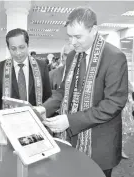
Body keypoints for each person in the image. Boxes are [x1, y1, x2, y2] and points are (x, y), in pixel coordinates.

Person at [42, 7, 128, 177]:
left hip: (100, 144)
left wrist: (70, 120)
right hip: (71, 140)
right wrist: (44, 108)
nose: (72, 42)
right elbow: (63, 91)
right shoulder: (73, 56)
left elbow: (113, 104)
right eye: (70, 36)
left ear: (94, 30)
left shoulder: (114, 57)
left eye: (78, 36)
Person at [0, 28, 52, 112]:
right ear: (8, 48)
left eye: (21, 47)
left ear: (27, 45)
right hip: (9, 120)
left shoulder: (41, 66)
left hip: (35, 119)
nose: (18, 53)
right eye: (13, 49)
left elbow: (47, 97)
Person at [121, 81, 134, 159]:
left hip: (127, 108)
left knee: (126, 131)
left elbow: (131, 92)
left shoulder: (127, 81)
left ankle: (120, 150)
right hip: (119, 108)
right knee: (120, 130)